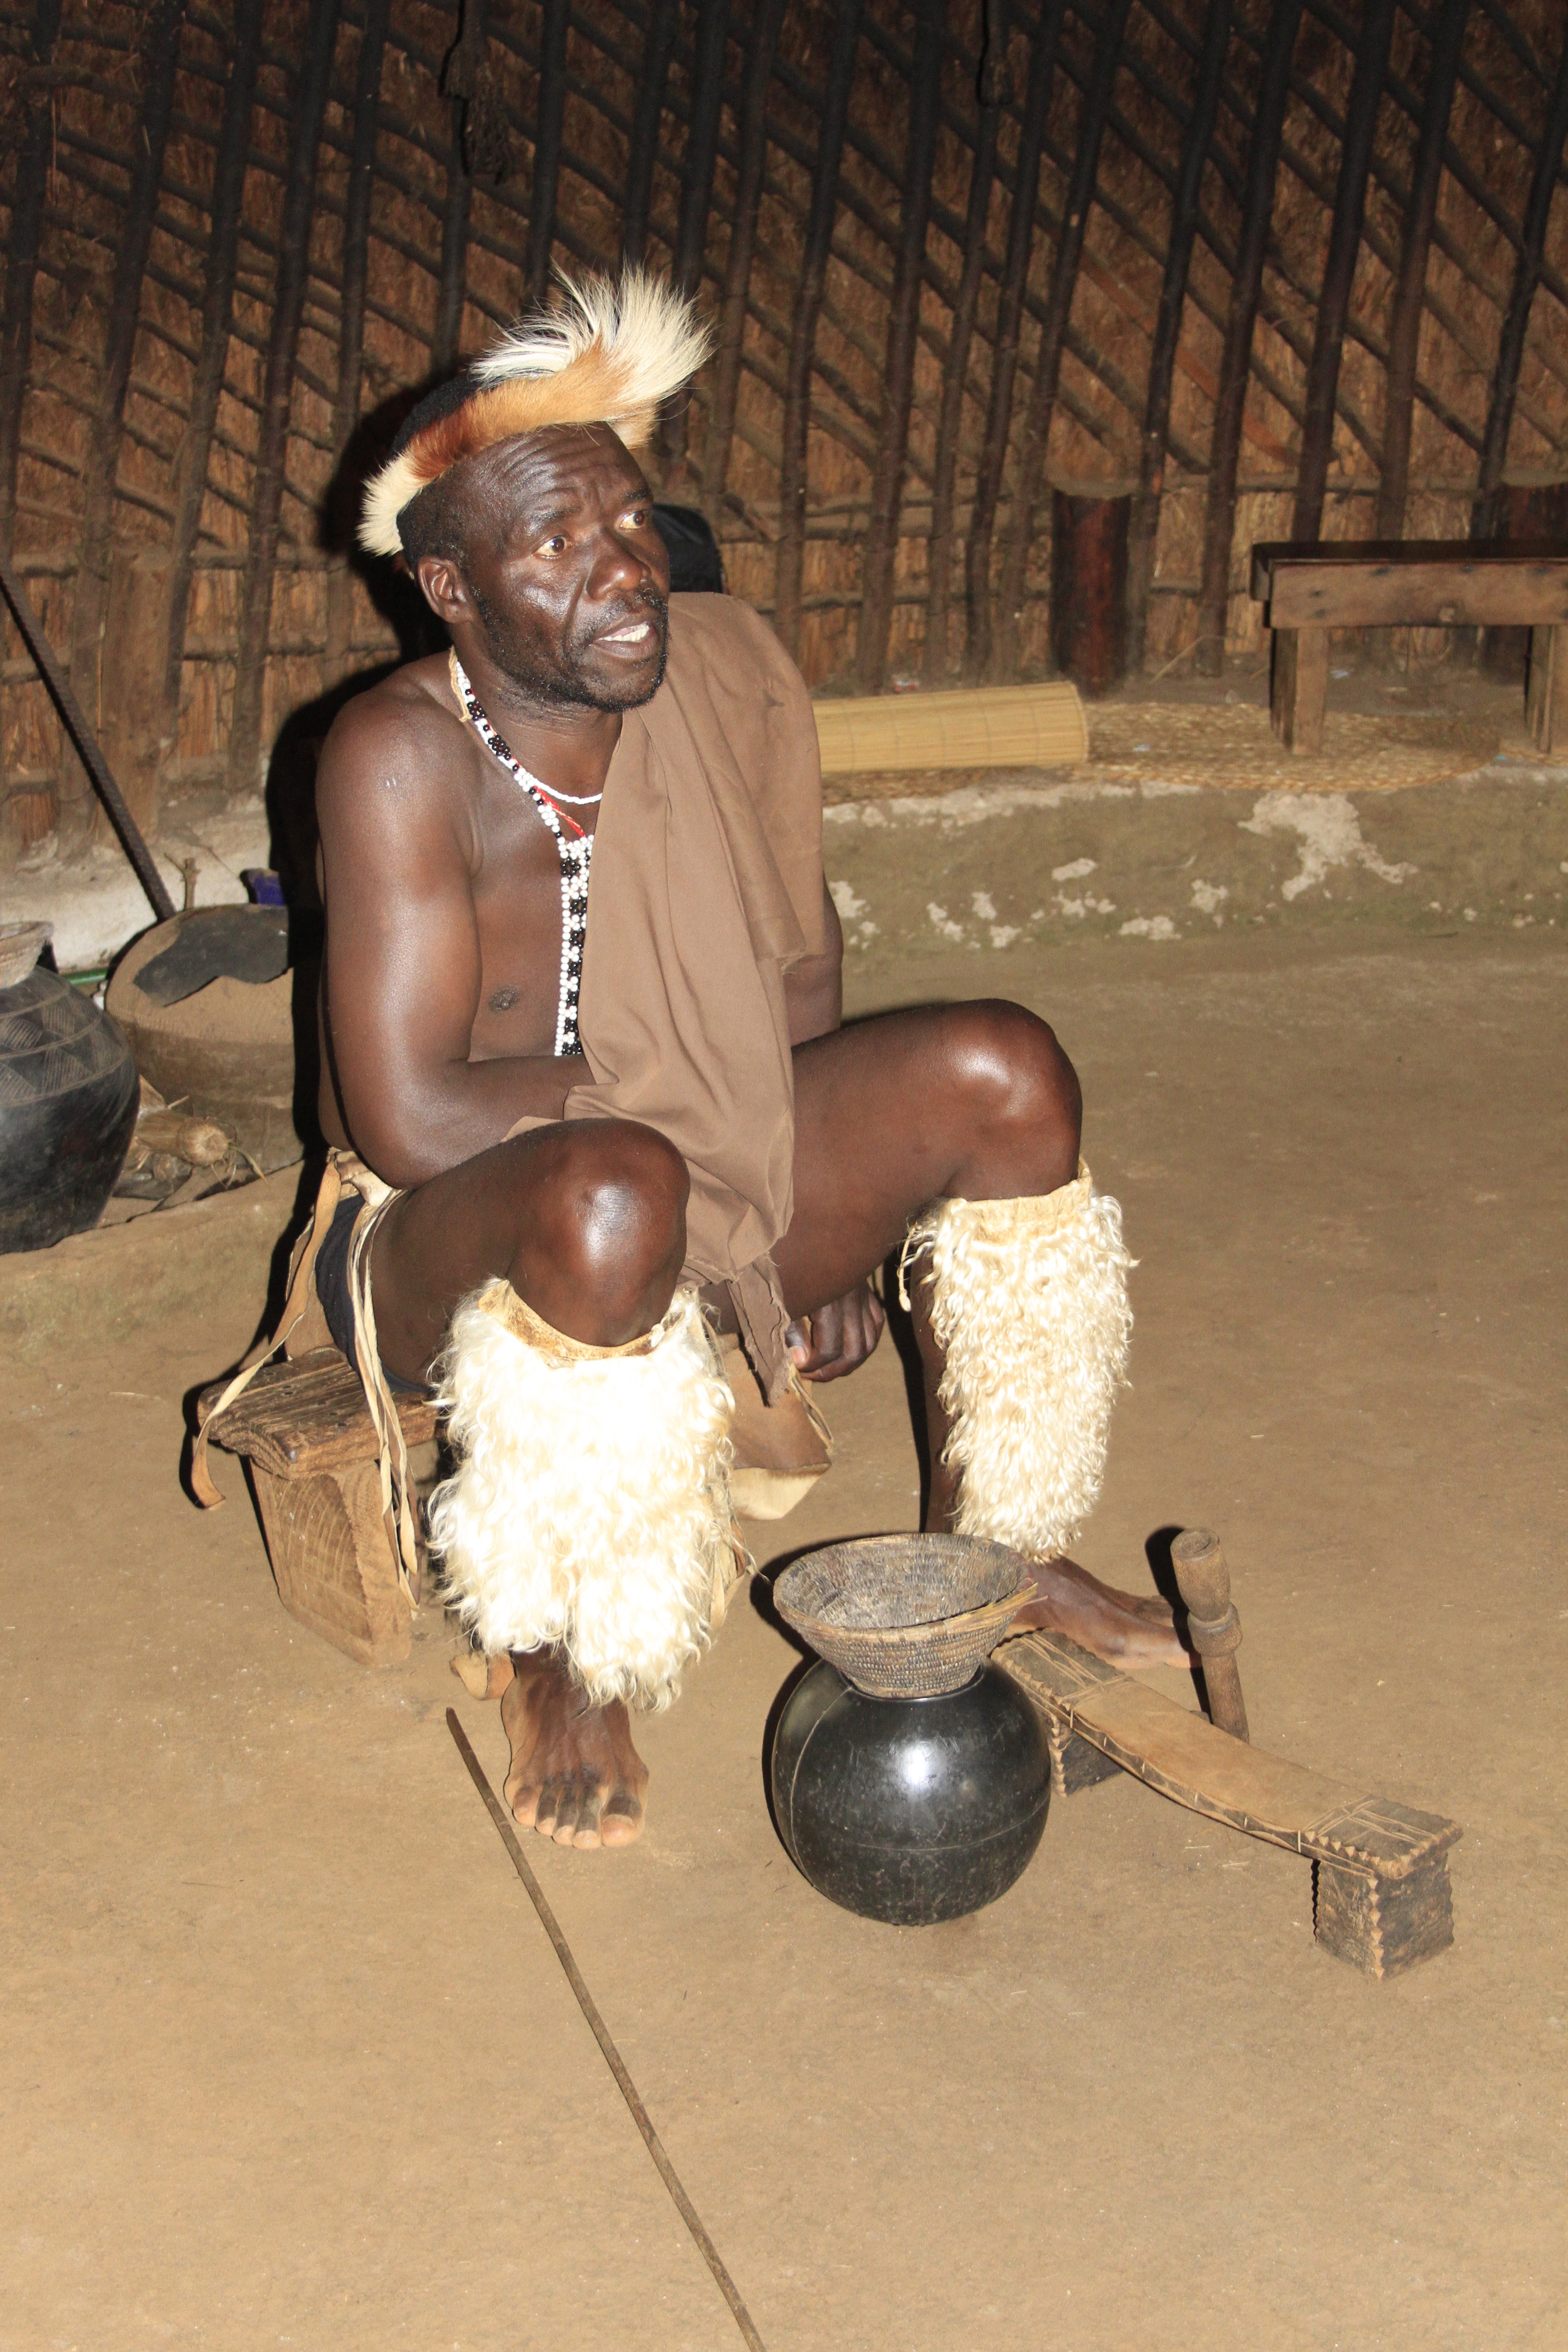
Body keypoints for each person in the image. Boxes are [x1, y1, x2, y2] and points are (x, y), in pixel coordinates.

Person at [306, 270, 1184, 1848]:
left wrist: (808, 1208)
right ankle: (566, 1652)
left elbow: (795, 963)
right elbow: (413, 1113)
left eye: (630, 523)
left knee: (1006, 1070)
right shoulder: (398, 757)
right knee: (614, 1187)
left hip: (701, 1158)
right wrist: (703, 1122)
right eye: (555, 545)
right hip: (447, 1241)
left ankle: (1002, 1555)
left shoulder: (719, 677)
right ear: (453, 589)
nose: (624, 571)